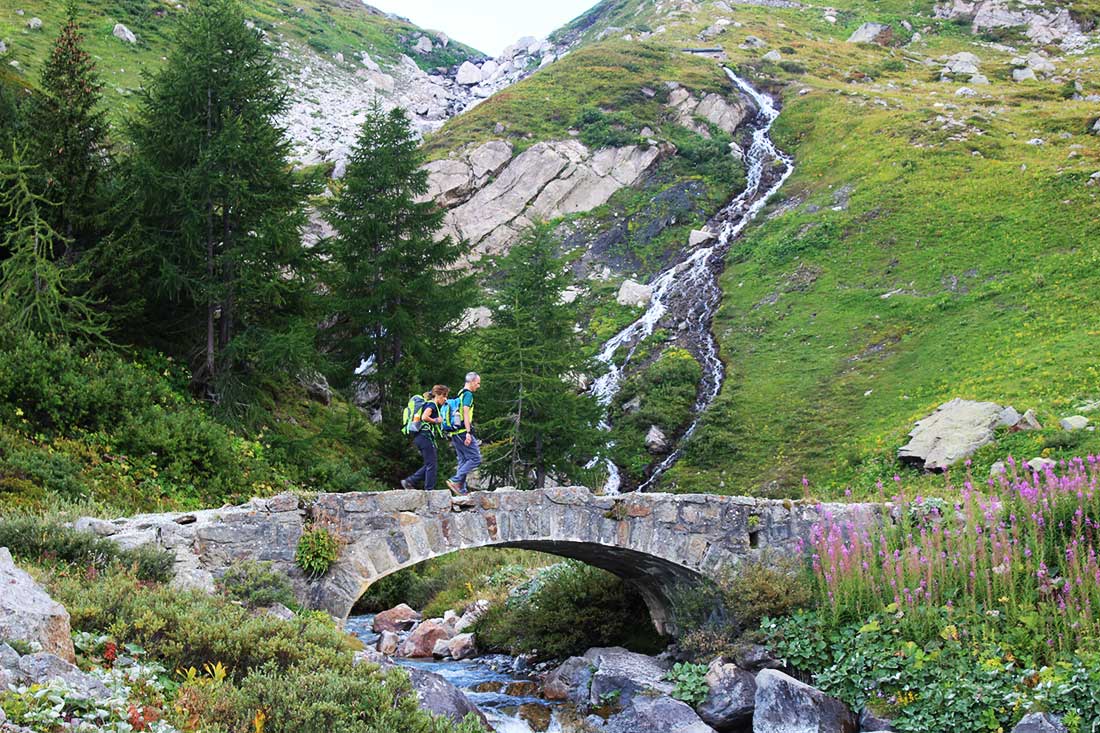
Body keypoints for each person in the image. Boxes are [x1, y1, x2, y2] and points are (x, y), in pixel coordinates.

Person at [401, 385, 449, 491]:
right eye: (444, 396)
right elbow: (424, 417)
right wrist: (437, 420)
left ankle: (410, 481)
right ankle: (429, 490)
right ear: (437, 395)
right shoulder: (431, 404)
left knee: (430, 463)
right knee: (432, 465)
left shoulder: (430, 404)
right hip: (424, 436)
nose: (445, 399)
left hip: (420, 437)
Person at [446, 372, 482, 496]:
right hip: (462, 432)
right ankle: (455, 480)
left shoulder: (460, 394)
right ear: (471, 382)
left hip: (455, 433)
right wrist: (468, 432)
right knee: (476, 458)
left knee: (462, 460)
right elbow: (466, 413)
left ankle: (461, 489)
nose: (478, 386)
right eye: (477, 383)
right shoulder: (468, 395)